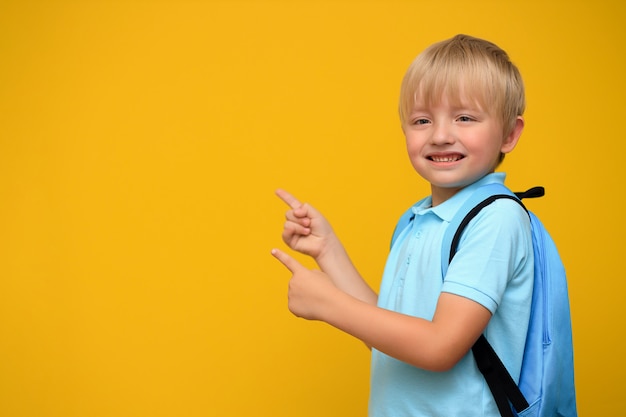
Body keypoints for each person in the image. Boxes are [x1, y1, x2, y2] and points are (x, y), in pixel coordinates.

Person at [271, 34, 533, 417]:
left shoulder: (496, 218)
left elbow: (439, 347)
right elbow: (390, 339)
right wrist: (328, 251)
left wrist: (329, 304)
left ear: (509, 134)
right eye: (422, 120)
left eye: (464, 117)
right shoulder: (416, 219)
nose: (441, 135)